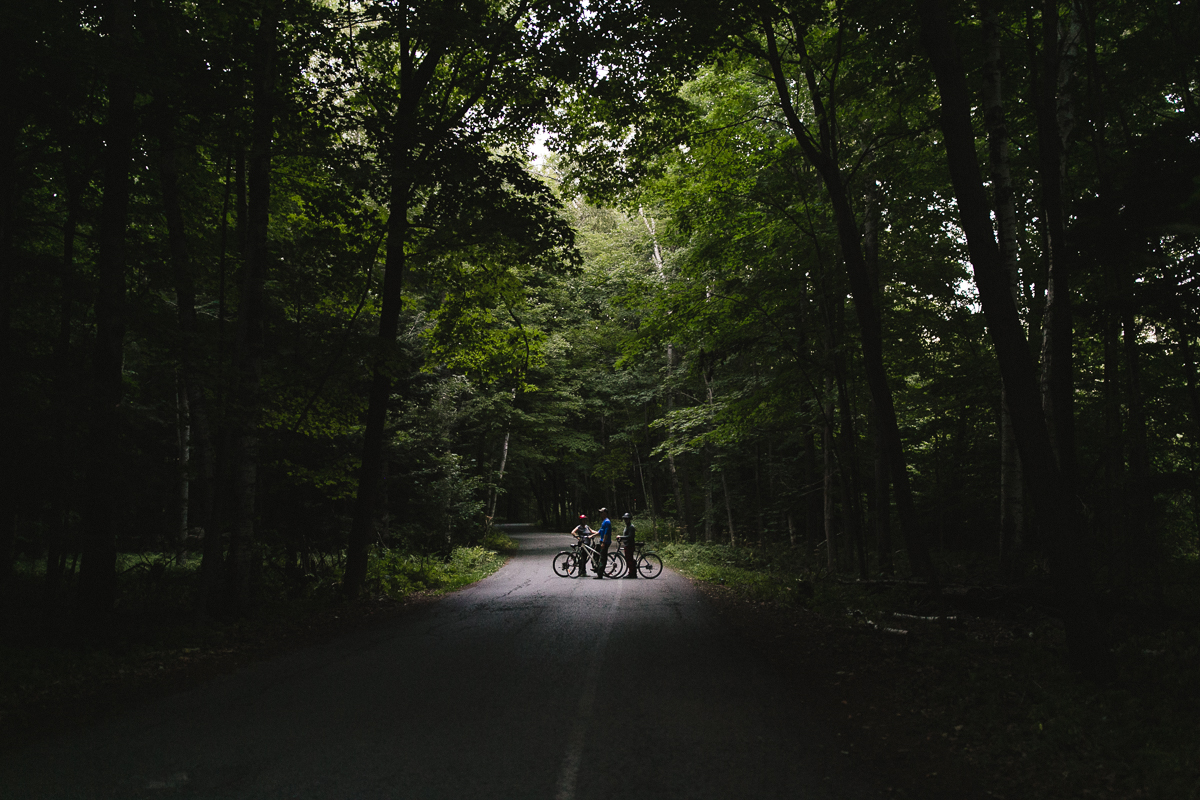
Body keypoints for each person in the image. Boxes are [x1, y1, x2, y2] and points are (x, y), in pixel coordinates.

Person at [592, 508, 612, 579]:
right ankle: (596, 567)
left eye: (602, 513)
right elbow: (600, 531)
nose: (600, 514)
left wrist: (603, 542)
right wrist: (591, 535)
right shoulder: (603, 521)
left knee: (603, 558)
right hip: (602, 541)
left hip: (605, 542)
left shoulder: (607, 522)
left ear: (605, 513)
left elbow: (606, 533)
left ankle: (600, 574)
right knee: (596, 552)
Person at [619, 512, 637, 578]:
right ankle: (633, 573)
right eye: (625, 519)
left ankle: (631, 573)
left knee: (629, 560)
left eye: (627, 519)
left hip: (629, 545)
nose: (625, 520)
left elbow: (630, 536)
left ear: (629, 519)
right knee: (629, 559)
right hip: (627, 544)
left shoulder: (631, 527)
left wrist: (621, 537)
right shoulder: (627, 526)